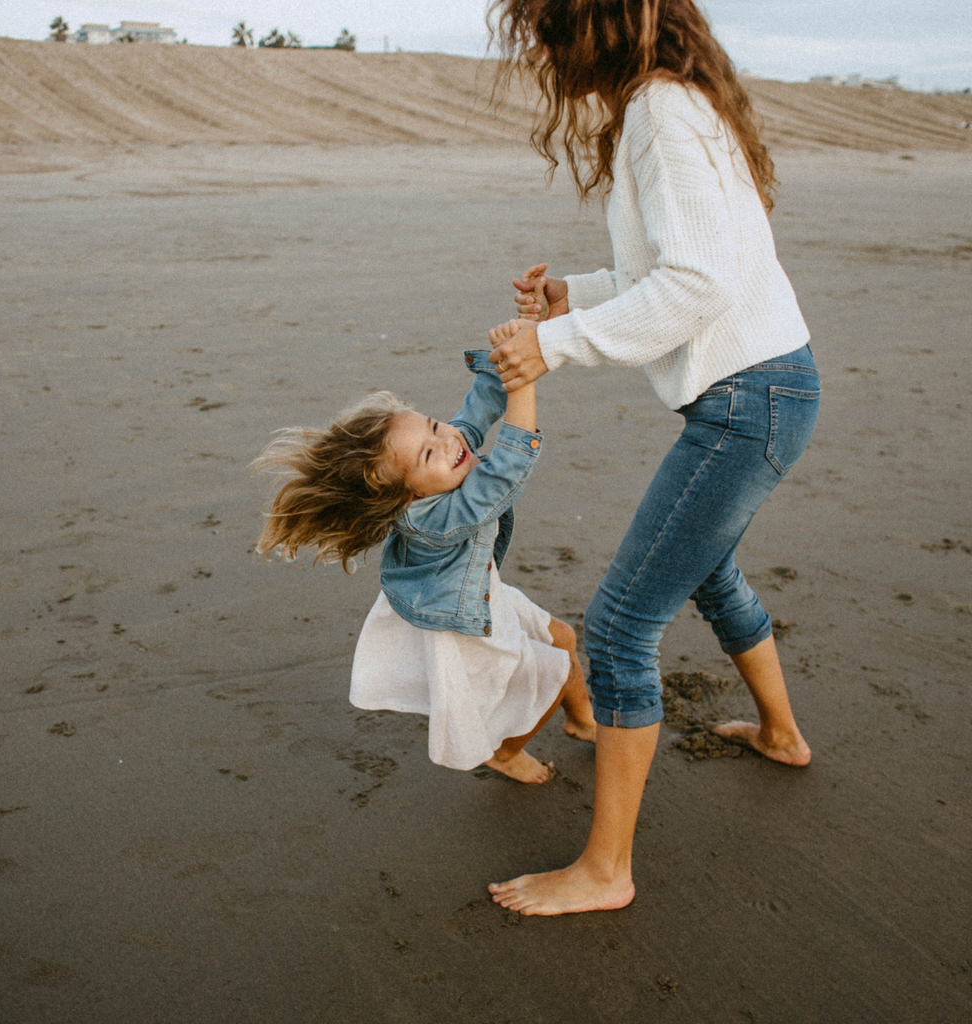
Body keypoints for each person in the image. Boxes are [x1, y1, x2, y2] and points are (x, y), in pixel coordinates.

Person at [484, 0, 821, 915]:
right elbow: (679, 269)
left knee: (624, 625)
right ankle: (783, 735)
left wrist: (556, 346)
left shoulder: (660, 112)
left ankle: (605, 871)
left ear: (590, 24)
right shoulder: (684, 99)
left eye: (550, 32)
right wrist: (569, 297)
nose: (547, 53)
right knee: (708, 574)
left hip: (749, 399)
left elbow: (699, 283)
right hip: (772, 387)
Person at [253, 326, 595, 785]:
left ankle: (584, 721)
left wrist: (517, 346)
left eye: (434, 426)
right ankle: (508, 753)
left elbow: (475, 411)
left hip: (481, 593)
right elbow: (506, 471)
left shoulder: (445, 460)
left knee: (564, 639)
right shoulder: (430, 518)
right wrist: (524, 382)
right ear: (404, 496)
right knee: (551, 677)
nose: (451, 443)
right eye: (429, 453)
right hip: (469, 626)